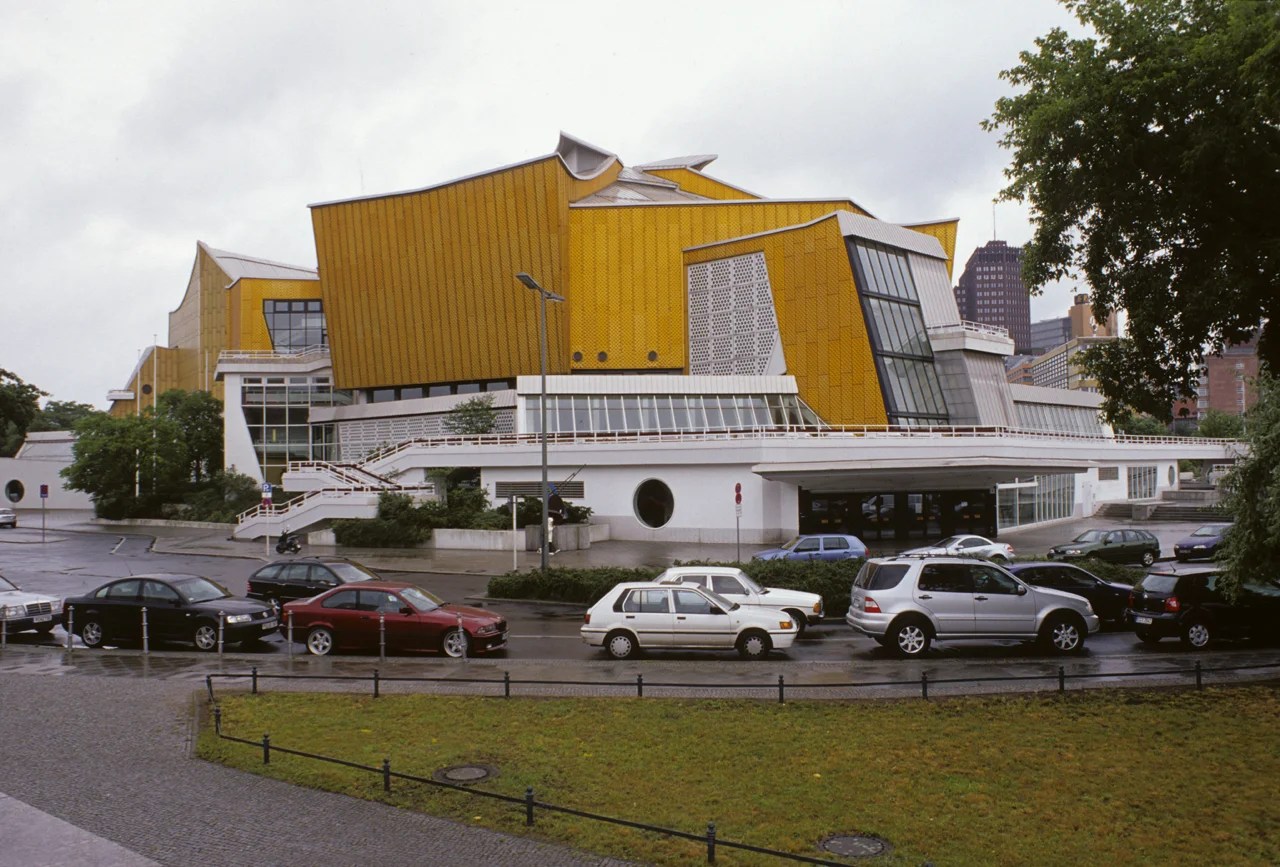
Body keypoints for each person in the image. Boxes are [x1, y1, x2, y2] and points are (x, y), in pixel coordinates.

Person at [546, 487, 566, 555]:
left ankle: (551, 549)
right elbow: (562, 508)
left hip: (550, 517)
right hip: (555, 517)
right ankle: (551, 549)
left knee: (549, 533)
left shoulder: (550, 499)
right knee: (549, 533)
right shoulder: (557, 498)